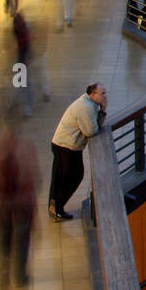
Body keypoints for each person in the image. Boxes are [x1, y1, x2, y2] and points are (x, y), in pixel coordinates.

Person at [0, 114, 37, 290]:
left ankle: (4, 268)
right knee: (21, 241)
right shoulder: (26, 147)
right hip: (21, 205)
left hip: (1, 205)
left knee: (2, 242)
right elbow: (33, 179)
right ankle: (18, 276)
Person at [48, 83, 106, 220]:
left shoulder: (88, 103)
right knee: (75, 176)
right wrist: (102, 111)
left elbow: (94, 126)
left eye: (105, 93)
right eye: (102, 93)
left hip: (62, 144)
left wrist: (102, 111)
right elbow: (91, 131)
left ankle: (54, 207)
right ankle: (57, 207)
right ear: (92, 95)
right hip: (66, 147)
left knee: (60, 178)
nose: (105, 96)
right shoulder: (86, 108)